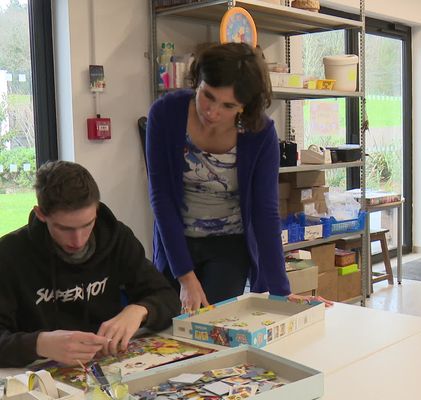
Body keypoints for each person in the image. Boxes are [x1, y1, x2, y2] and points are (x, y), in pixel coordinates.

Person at [146, 42, 297, 312]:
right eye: (207, 95)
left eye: (228, 106)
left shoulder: (260, 133)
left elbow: (266, 214)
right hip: (176, 243)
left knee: (214, 327)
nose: (212, 112)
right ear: (197, 81)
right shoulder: (165, 114)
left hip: (229, 247)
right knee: (170, 330)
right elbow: (161, 198)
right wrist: (185, 276)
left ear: (244, 107)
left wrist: (280, 293)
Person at [0, 161, 180, 368]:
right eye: (64, 228)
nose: (78, 241)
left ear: (96, 209)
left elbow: (168, 298)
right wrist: (38, 344)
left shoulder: (117, 237)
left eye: (87, 225)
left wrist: (140, 310)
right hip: (38, 374)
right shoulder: (10, 255)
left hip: (109, 365)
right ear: (41, 214)